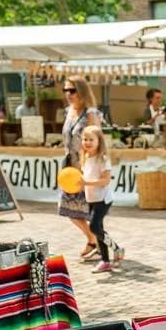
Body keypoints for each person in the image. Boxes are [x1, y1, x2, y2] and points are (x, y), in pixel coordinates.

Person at [60, 77, 103, 260]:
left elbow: (98, 140)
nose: (68, 94)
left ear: (81, 92)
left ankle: (102, 244)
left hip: (86, 168)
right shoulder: (69, 112)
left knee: (90, 212)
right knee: (68, 209)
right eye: (66, 91)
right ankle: (93, 239)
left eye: (72, 90)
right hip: (70, 167)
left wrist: (94, 165)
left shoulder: (90, 113)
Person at [80, 125, 122, 274]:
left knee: (94, 227)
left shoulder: (102, 158)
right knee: (99, 230)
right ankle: (106, 261)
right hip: (91, 198)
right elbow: (86, 177)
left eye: (91, 139)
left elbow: (105, 181)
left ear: (99, 141)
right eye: (85, 139)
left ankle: (115, 249)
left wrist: (85, 183)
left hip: (103, 199)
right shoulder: (85, 157)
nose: (87, 142)